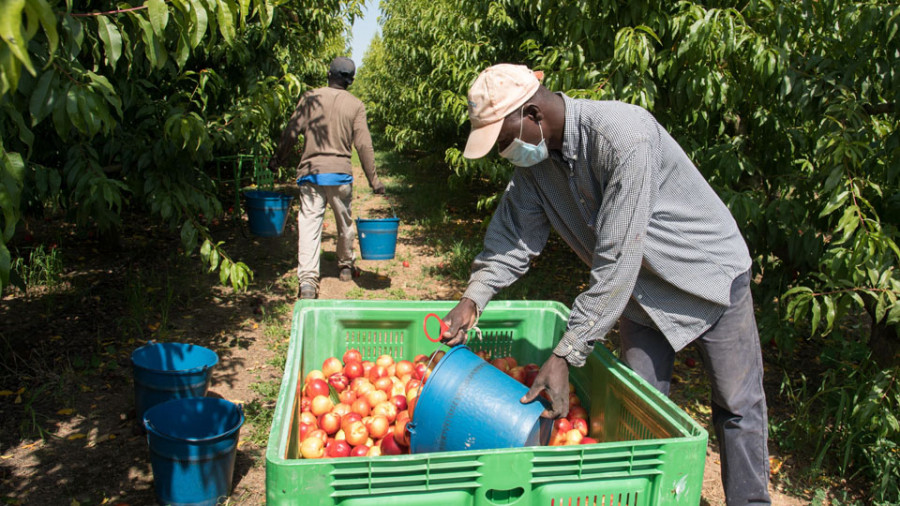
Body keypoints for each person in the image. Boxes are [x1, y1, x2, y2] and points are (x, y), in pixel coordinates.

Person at [440, 64, 770, 504]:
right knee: (640, 405)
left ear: (533, 114)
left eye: (504, 140)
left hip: (705, 276)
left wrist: (565, 352)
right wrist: (472, 297)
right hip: (636, 295)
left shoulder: (623, 137)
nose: (505, 153)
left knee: (736, 404)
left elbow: (617, 257)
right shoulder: (535, 170)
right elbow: (513, 239)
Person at [269, 57, 385, 299]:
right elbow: (364, 145)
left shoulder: (310, 98)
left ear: (328, 74)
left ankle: (309, 282)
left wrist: (277, 159)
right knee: (344, 223)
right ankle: (344, 265)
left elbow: (291, 132)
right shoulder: (355, 105)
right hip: (340, 175)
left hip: (311, 174)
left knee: (310, 224)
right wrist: (374, 181)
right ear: (350, 81)